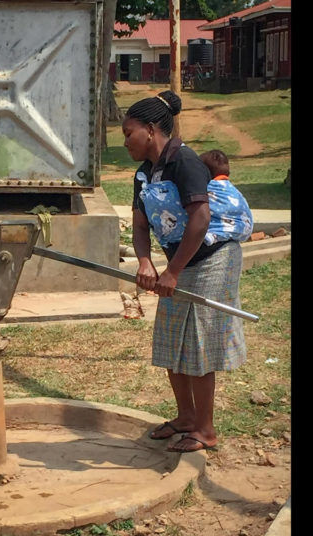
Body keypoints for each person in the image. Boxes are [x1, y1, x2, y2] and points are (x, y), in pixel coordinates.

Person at [122, 91, 248, 453]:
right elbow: (141, 225)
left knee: (198, 345)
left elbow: (201, 218)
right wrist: (145, 261)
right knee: (170, 337)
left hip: (212, 259)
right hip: (180, 264)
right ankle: (186, 418)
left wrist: (172, 272)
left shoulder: (184, 161)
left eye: (129, 133)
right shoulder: (144, 174)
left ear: (149, 129)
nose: (126, 141)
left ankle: (205, 429)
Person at [198, 149, 254, 246]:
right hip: (245, 228)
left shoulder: (210, 187)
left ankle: (214, 236)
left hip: (227, 229)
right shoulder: (233, 190)